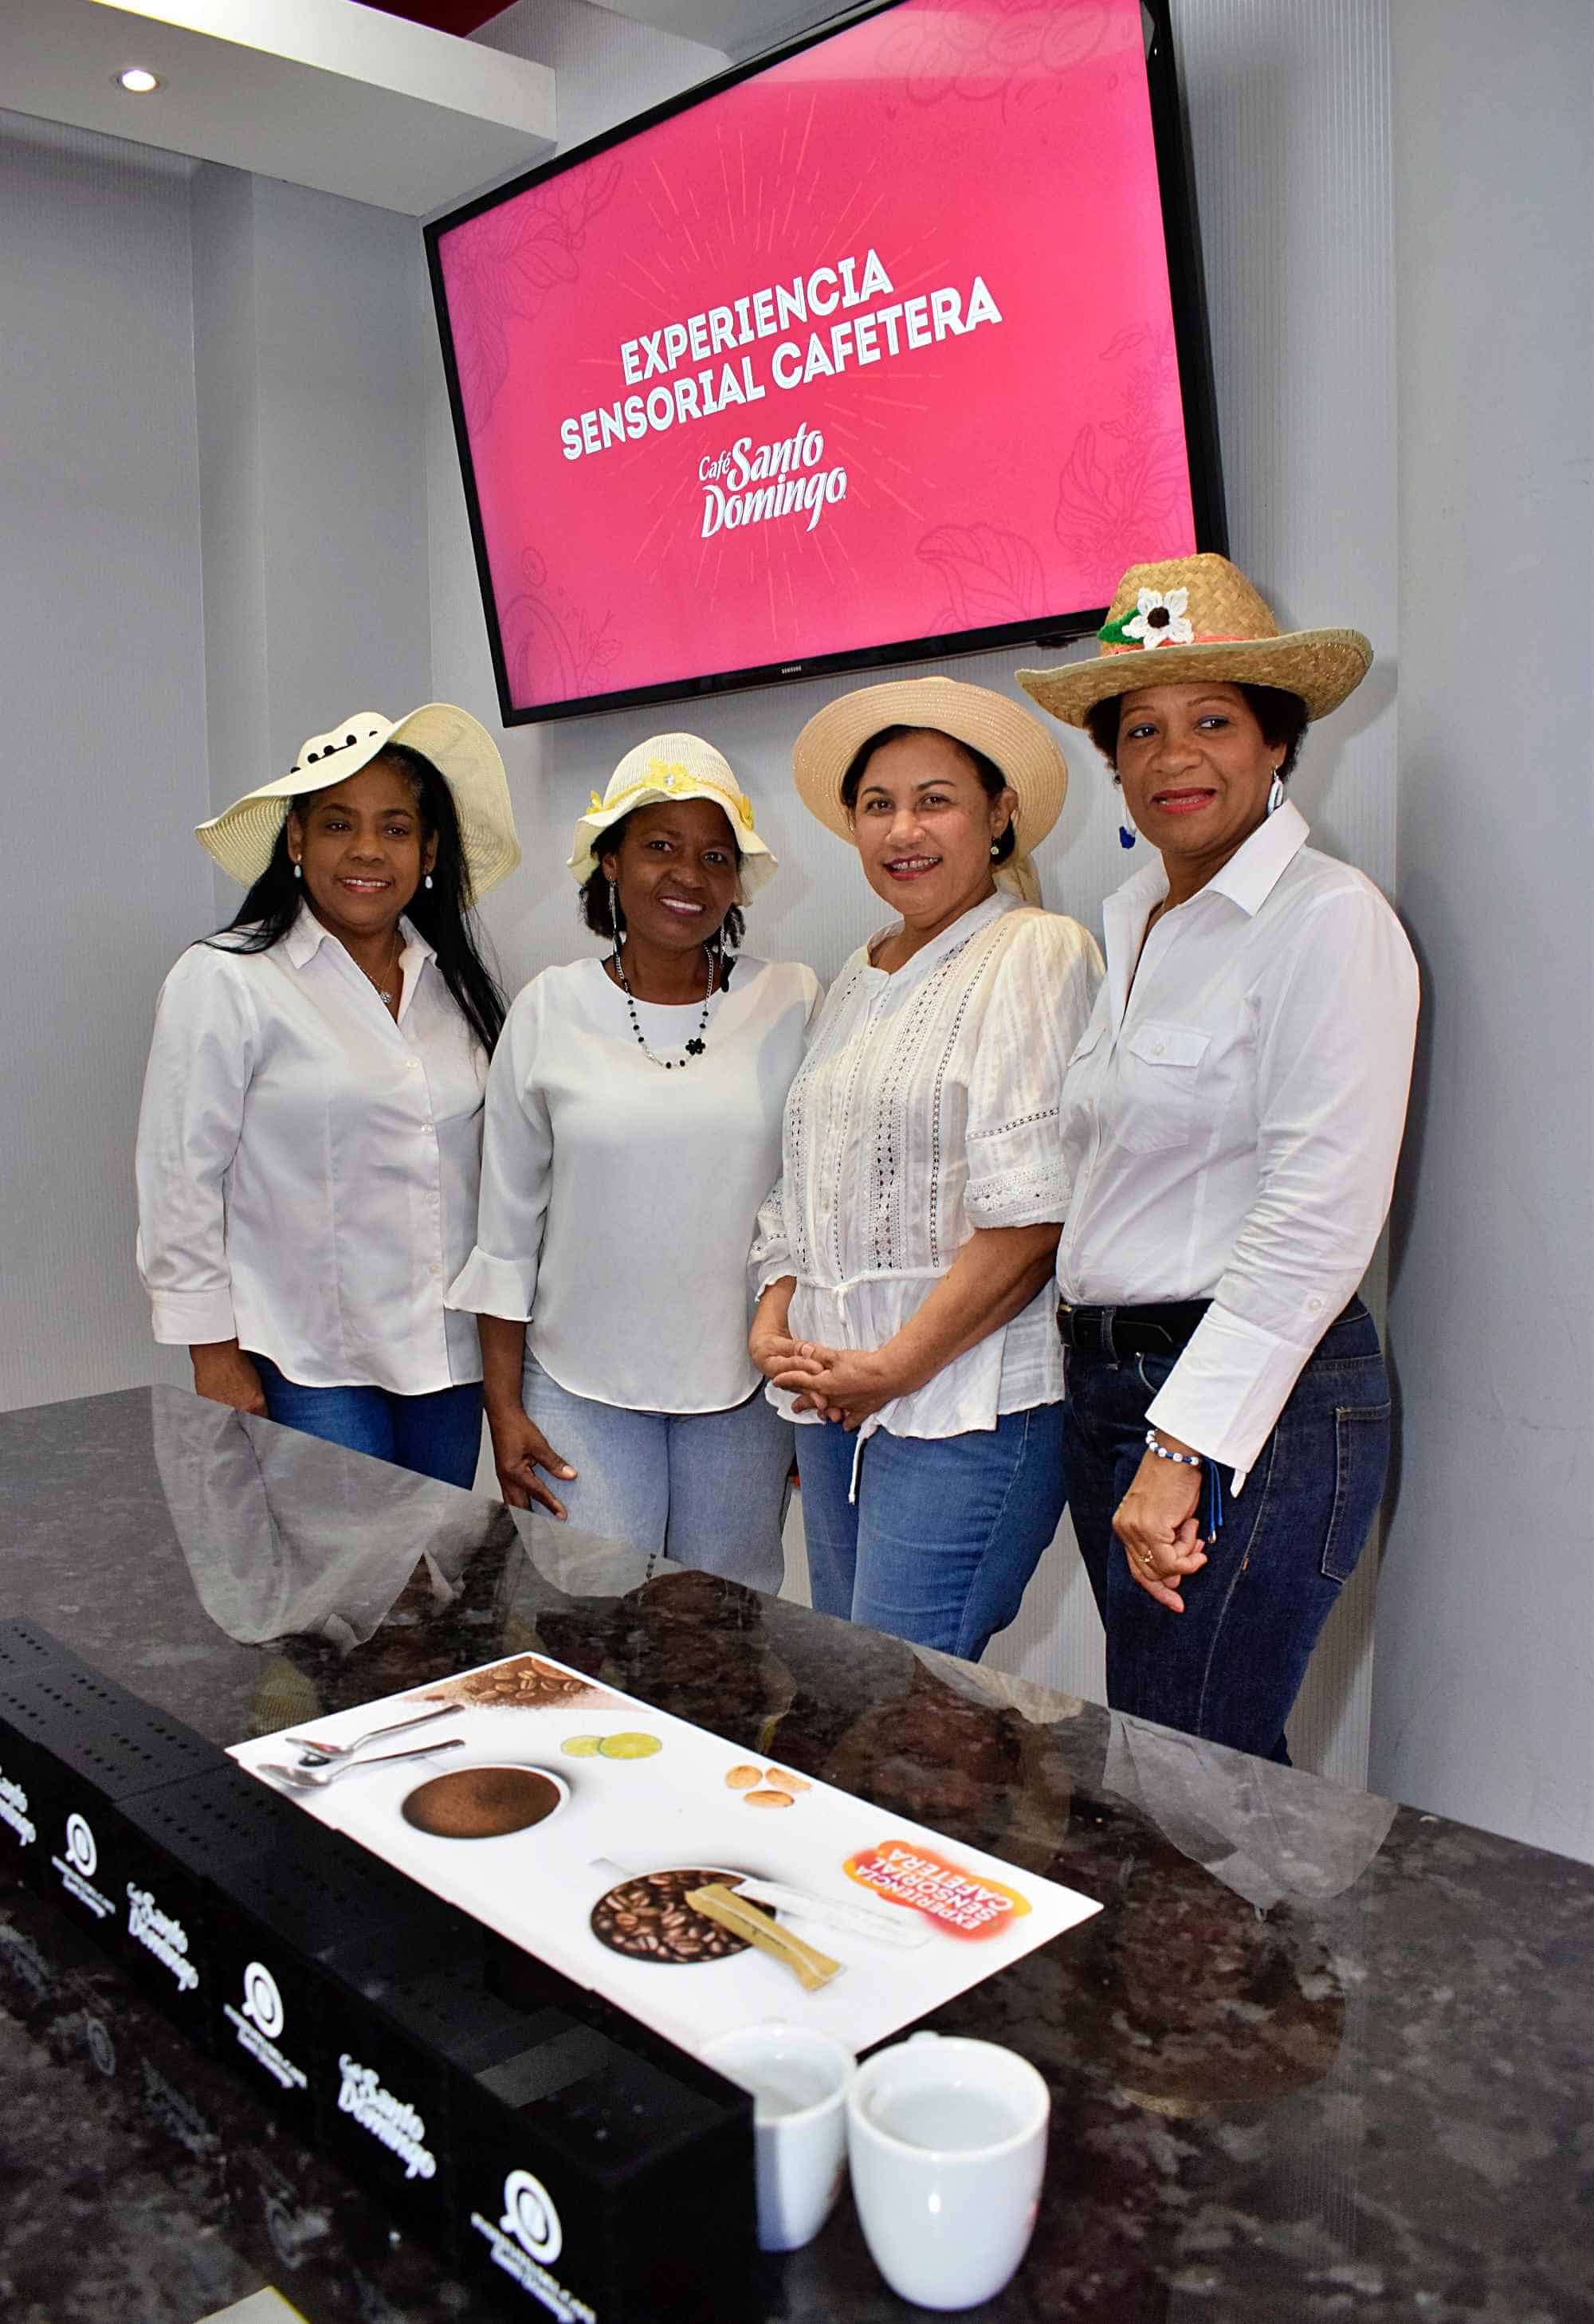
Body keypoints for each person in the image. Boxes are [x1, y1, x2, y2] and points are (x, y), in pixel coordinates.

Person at [1015, 551, 1419, 1761]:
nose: (1174, 756)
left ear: (1278, 742)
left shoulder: (1328, 920)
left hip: (1251, 1410)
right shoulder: (1136, 919)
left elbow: (1316, 1220)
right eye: (1140, 729)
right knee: (1174, 1761)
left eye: (1212, 721)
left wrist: (1182, 1447)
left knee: (1194, 1786)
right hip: (1116, 1391)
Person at [750, 676, 1102, 1661]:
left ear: (998, 816)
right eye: (877, 805)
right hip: (832, 1400)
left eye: (934, 799)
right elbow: (802, 1186)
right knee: (850, 1686)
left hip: (966, 1403)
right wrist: (775, 1318)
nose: (903, 829)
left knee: (903, 1714)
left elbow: (1033, 1218)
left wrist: (893, 1369)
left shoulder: (1035, 951)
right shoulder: (856, 974)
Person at [449, 734, 819, 1593]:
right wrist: (502, 1410)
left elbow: (813, 1212)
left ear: (735, 882)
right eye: (658, 846)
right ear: (608, 859)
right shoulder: (548, 1010)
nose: (686, 874)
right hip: (578, 1383)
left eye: (714, 855)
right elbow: (504, 1230)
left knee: (719, 1636)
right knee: (588, 1629)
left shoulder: (792, 1000)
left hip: (742, 1390)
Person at [136, 704, 519, 1487]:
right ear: (297, 839)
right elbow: (180, 1182)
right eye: (339, 824)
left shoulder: (457, 989)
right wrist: (214, 1357)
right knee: (342, 1592)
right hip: (305, 1362)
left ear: (430, 849)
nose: (368, 851)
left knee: (430, 1588)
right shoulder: (226, 980)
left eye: (396, 827)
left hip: (445, 1364)